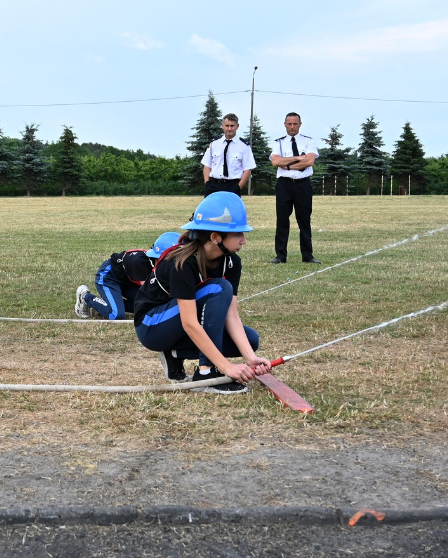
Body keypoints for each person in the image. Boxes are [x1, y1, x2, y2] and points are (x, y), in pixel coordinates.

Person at [132, 192, 271, 393]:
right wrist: (226, 367)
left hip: (177, 326)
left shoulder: (231, 262)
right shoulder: (182, 262)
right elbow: (189, 322)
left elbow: (231, 315)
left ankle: (175, 353)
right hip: (151, 326)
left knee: (250, 340)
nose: (244, 240)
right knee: (219, 288)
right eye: (238, 234)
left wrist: (250, 358)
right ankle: (206, 374)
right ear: (215, 237)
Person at [75, 231, 179, 320]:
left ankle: (105, 306)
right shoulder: (140, 263)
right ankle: (85, 297)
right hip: (109, 277)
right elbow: (151, 292)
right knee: (116, 315)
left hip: (129, 281)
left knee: (146, 306)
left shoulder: (159, 264)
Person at [269, 112, 320, 264]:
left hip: (303, 184)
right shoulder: (278, 142)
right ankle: (280, 256)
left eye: (295, 124)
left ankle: (307, 256)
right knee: (282, 220)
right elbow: (275, 162)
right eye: (289, 124)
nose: (292, 127)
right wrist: (298, 158)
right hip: (284, 184)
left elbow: (309, 161)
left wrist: (288, 164)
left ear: (300, 124)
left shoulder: (308, 141)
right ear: (285, 124)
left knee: (304, 220)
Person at [200, 113, 255, 196]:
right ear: (222, 126)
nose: (229, 128)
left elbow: (247, 170)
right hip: (214, 185)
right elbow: (207, 165)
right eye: (227, 125)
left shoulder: (244, 146)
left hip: (232, 185)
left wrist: (238, 187)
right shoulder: (214, 144)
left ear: (237, 126)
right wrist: (207, 184)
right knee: (212, 209)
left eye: (232, 126)